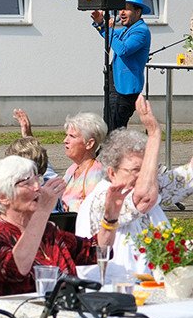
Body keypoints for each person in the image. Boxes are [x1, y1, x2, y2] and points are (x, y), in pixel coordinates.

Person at [0, 154, 130, 297]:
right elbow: (16, 270)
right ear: (3, 197)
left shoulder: (48, 232)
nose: (38, 187)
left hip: (66, 313)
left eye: (37, 180)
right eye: (27, 183)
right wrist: (42, 211)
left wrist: (111, 217)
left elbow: (98, 251)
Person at [75, 96, 193, 281]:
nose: (144, 175)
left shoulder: (149, 186)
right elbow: (144, 198)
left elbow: (186, 178)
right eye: (137, 170)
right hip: (115, 288)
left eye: (146, 168)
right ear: (112, 173)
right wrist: (154, 133)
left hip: (155, 284)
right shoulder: (104, 196)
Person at [14, 108, 107, 212]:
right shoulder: (73, 169)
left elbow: (93, 213)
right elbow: (45, 170)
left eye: (72, 136)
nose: (65, 140)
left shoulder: (96, 174)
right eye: (66, 135)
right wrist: (28, 137)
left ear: (89, 143)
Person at [90, 0, 152, 131]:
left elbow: (123, 50)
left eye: (127, 9)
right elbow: (108, 35)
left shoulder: (140, 31)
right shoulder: (126, 29)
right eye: (121, 9)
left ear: (137, 12)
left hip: (125, 90)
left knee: (115, 131)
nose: (121, 12)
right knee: (109, 128)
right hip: (115, 86)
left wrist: (107, 28)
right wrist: (101, 24)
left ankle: (113, 152)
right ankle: (108, 151)